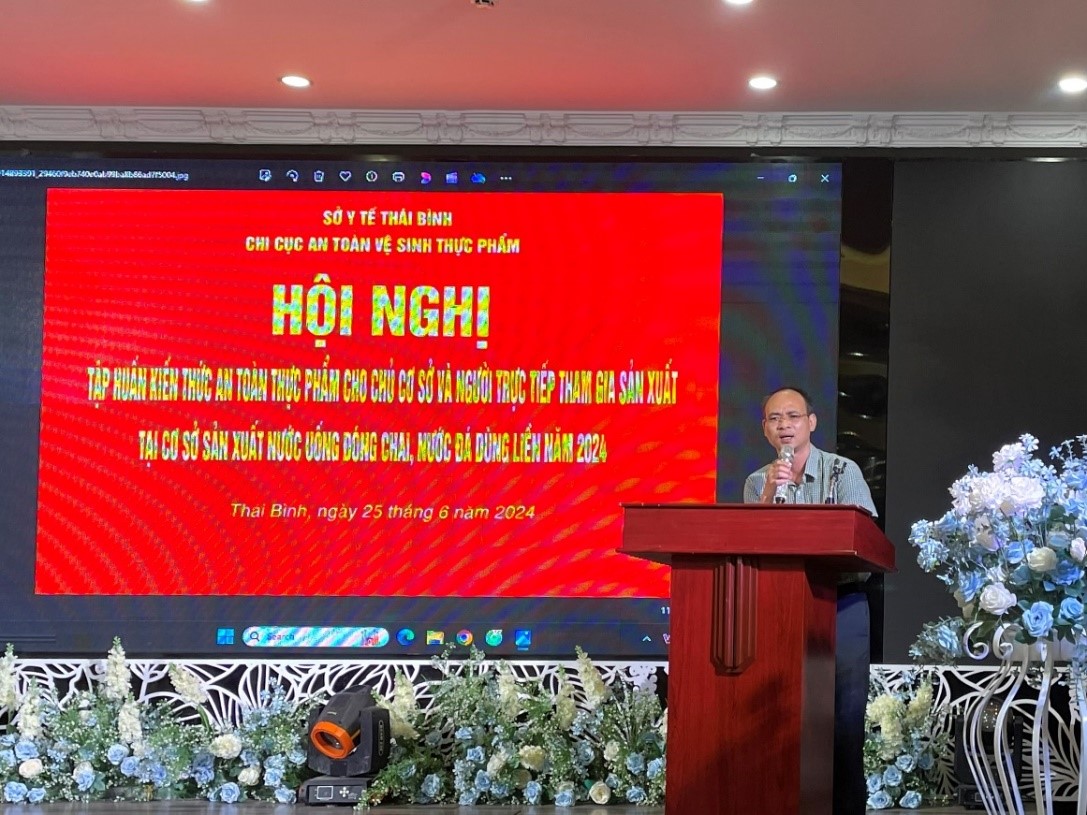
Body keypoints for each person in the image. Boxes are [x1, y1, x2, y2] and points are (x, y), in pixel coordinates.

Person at [743, 386, 877, 815]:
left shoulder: (842, 471)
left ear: (811, 422)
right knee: (782, 714)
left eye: (793, 416)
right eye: (774, 418)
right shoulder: (757, 482)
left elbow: (866, 539)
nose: (784, 425)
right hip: (782, 607)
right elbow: (749, 547)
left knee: (844, 719)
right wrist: (769, 495)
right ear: (765, 429)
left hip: (842, 602)